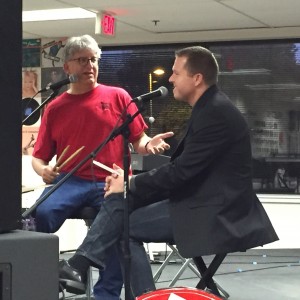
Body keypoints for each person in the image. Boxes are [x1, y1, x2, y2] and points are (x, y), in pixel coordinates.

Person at [58, 46, 279, 298]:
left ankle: (132, 290)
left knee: (123, 225)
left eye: (175, 73)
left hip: (217, 213)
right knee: (121, 201)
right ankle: (80, 267)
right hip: (202, 201)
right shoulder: (210, 107)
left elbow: (183, 172)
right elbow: (188, 170)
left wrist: (129, 183)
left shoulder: (215, 112)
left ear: (196, 79)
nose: (170, 79)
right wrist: (128, 185)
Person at [31, 34, 174, 299]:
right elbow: (38, 158)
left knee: (118, 232)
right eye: (82, 60)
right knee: (36, 217)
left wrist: (148, 143)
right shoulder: (55, 108)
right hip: (70, 179)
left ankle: (106, 293)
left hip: (113, 181)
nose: (90, 65)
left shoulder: (118, 96)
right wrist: (43, 171)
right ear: (67, 68)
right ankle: (40, 280)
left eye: (94, 59)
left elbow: (138, 138)